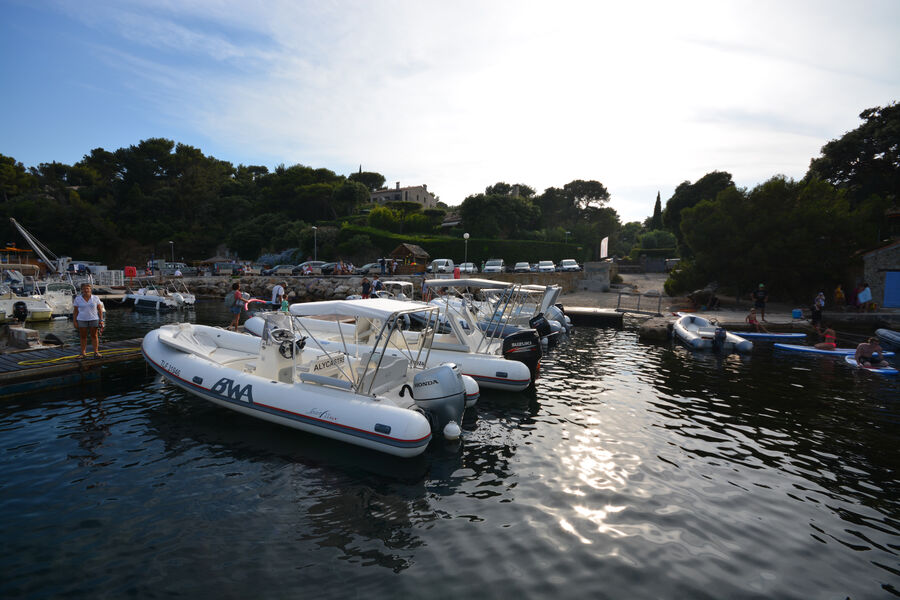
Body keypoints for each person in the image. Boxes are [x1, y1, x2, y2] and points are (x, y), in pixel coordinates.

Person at [73, 283, 105, 359]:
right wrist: (74, 321)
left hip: (94, 319)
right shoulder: (78, 299)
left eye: (87, 288)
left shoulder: (95, 298)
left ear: (90, 289)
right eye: (84, 288)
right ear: (82, 290)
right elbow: (75, 311)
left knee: (94, 336)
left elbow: (100, 309)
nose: (86, 290)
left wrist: (101, 320)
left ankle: (96, 352)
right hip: (81, 319)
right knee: (83, 337)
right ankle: (83, 353)